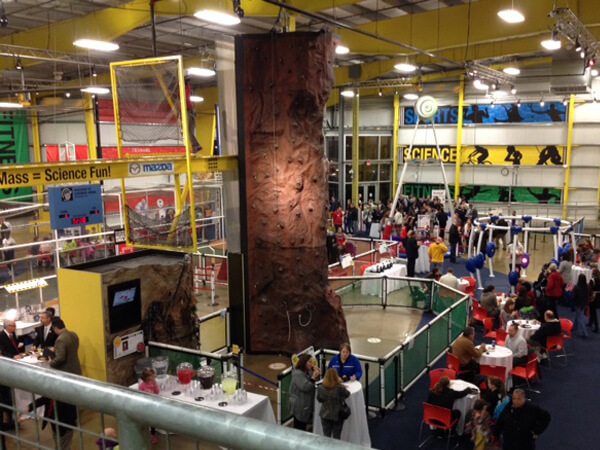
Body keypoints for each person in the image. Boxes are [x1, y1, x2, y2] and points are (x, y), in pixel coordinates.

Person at [49, 317, 81, 450]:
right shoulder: (73, 334)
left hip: (66, 374)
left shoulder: (60, 339)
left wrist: (51, 361)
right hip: (76, 371)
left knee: (67, 401)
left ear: (56, 328)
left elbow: (60, 358)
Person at [316, 368, 350, 440]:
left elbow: (319, 399)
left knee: (326, 436)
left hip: (325, 415)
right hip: (337, 415)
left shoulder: (321, 388)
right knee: (336, 437)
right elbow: (347, 394)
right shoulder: (340, 388)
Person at [289, 353, 320, 431]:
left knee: (303, 426)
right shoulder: (297, 374)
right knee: (299, 428)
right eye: (309, 362)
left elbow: (310, 383)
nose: (311, 364)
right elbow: (305, 387)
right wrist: (313, 377)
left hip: (305, 404)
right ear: (304, 362)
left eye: (312, 362)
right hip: (299, 406)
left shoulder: (308, 372)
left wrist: (315, 375)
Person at [139, 368, 160, 444]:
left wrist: (155, 386)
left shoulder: (153, 383)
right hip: (145, 405)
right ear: (147, 378)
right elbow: (142, 397)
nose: (154, 377)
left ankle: (153, 435)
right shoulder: (142, 386)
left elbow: (157, 392)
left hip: (152, 404)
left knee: (152, 422)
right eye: (152, 376)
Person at [572, 273, 589, 338]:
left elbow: (574, 297)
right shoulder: (587, 287)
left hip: (578, 304)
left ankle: (584, 333)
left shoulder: (577, 287)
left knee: (580, 319)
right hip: (584, 304)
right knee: (578, 315)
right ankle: (574, 327)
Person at [588, 268, 600, 332]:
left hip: (593, 297)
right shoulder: (599, 279)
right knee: (593, 310)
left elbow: (590, 290)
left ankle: (596, 327)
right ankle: (590, 322)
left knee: (593, 311)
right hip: (598, 296)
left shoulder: (592, 280)